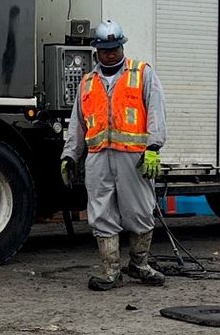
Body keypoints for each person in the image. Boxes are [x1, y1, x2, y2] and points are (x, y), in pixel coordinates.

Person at [61, 19, 167, 291]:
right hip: (98, 158)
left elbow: (156, 111)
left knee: (141, 210)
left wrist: (154, 147)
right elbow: (77, 124)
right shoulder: (87, 83)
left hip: (133, 158)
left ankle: (139, 264)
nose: (111, 53)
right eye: (106, 49)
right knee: (101, 213)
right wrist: (70, 155)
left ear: (122, 46)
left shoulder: (142, 74)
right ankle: (110, 270)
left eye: (115, 48)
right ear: (96, 50)